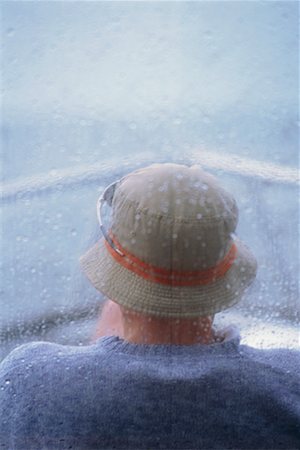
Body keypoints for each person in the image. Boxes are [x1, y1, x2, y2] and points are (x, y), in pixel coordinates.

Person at [0, 163, 299, 450]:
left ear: (113, 262)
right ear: (225, 265)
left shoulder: (29, 381)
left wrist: (104, 350)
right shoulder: (288, 383)